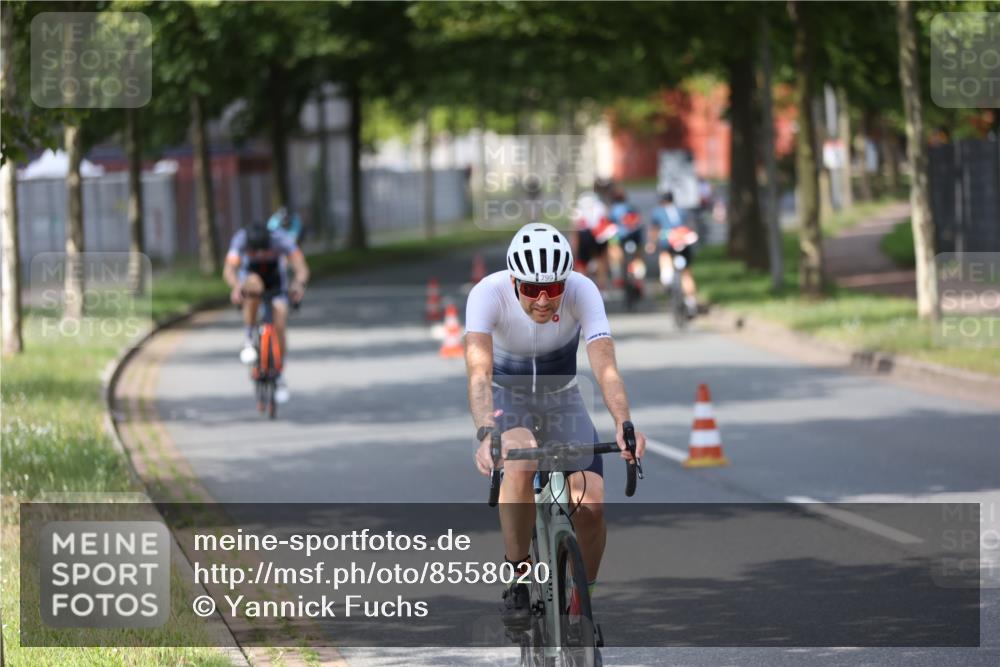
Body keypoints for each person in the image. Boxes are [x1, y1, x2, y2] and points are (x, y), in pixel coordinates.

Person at [465, 222, 646, 624]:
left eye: (553, 288)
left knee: (592, 505)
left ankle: (584, 596)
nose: (544, 299)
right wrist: (485, 433)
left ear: (567, 280)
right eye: (531, 289)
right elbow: (478, 374)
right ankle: (517, 577)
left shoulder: (583, 290)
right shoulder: (486, 294)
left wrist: (623, 423)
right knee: (519, 456)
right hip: (507, 398)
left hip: (562, 395)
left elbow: (605, 366)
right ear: (514, 280)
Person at [223, 220, 310, 403]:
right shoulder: (240, 240)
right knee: (253, 287)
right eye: (255, 252)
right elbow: (229, 270)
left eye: (264, 250)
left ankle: (279, 371)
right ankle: (249, 338)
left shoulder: (281, 239)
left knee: (280, 316)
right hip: (251, 278)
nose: (260, 254)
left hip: (275, 279)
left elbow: (300, 267)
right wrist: (236, 287)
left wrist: (298, 284)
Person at [648, 192, 699, 315]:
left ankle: (666, 277)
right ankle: (691, 301)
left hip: (669, 241)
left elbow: (654, 230)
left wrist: (651, 243)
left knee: (664, 255)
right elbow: (690, 225)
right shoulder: (682, 210)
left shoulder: (657, 212)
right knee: (686, 273)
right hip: (684, 240)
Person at [571, 191, 616, 291]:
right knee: (601, 261)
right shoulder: (601, 206)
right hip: (598, 235)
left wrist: (574, 252)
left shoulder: (578, 210)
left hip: (584, 235)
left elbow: (575, 231)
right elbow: (607, 224)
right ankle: (602, 288)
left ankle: (582, 289)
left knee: (582, 263)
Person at [606, 188, 644, 287]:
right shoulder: (631, 207)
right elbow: (639, 222)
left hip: (619, 237)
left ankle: (617, 276)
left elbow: (609, 225)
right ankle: (639, 278)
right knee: (638, 256)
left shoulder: (613, 209)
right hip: (634, 236)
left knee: (612, 249)